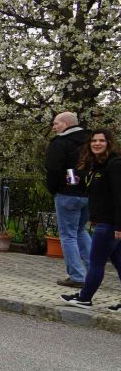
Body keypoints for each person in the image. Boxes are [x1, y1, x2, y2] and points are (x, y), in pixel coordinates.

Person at [61, 129, 121, 312]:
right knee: (119, 263)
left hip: (109, 223)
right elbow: (92, 190)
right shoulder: (97, 167)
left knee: (96, 262)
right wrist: (74, 179)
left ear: (109, 143)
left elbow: (119, 197)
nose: (97, 143)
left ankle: (85, 298)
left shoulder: (115, 165)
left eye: (101, 140)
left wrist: (119, 226)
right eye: (94, 140)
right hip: (104, 222)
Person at [46, 112, 91, 288]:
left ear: (66, 124)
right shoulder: (91, 140)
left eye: (56, 123)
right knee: (80, 231)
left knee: (68, 235)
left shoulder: (60, 143)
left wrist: (53, 189)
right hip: (88, 193)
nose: (53, 127)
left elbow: (53, 169)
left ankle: (77, 276)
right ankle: (94, 271)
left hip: (67, 194)